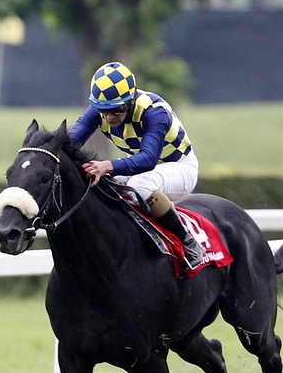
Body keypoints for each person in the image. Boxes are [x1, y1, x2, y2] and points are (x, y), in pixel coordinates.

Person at [68, 61, 204, 270]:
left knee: (140, 185)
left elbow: (148, 159)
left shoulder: (153, 112)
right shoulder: (101, 109)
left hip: (179, 166)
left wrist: (107, 165)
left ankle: (188, 242)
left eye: (115, 110)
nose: (109, 117)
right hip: (148, 170)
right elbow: (70, 143)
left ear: (130, 100)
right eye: (103, 111)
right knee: (104, 185)